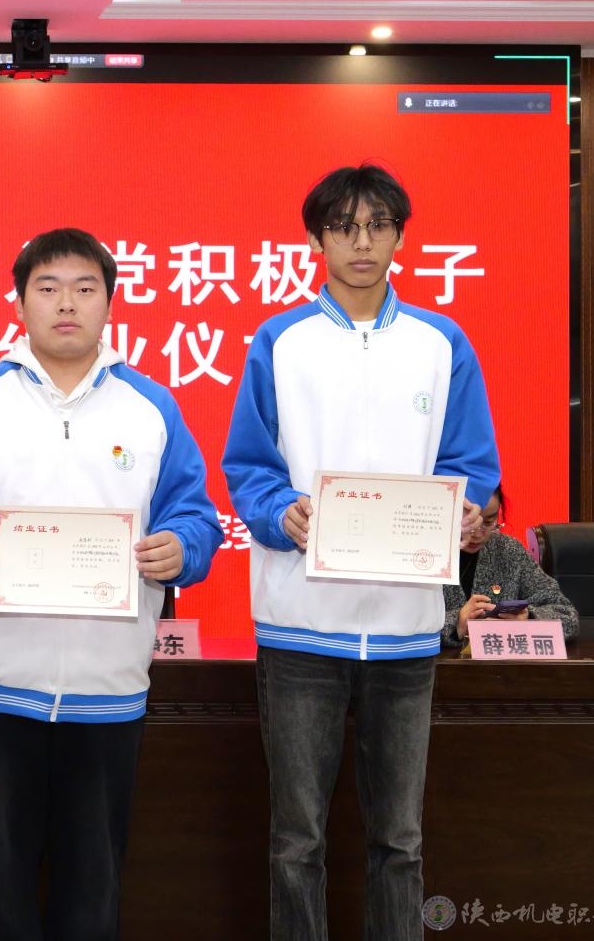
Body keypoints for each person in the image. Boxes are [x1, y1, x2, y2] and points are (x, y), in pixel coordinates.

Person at [0, 227, 223, 941]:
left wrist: (183, 548)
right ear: (19, 304)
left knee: (92, 897)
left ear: (110, 302)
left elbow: (196, 516)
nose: (66, 303)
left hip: (108, 692)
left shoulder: (150, 407)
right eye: (47, 288)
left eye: (84, 288)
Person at [222, 165, 499, 940]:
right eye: (344, 227)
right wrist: (278, 512)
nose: (363, 241)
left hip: (406, 628)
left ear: (401, 237)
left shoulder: (441, 342)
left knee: (400, 842)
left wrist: (467, 510)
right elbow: (248, 466)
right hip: (301, 624)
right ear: (317, 240)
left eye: (379, 225)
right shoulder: (281, 341)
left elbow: (471, 461)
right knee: (296, 842)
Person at [441, 485, 579, 647]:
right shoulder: (422, 552)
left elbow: (568, 617)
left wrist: (528, 620)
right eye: (468, 522)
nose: (477, 534)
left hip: (500, 661)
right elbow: (412, 625)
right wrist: (456, 624)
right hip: (433, 662)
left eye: (488, 522)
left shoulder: (508, 550)